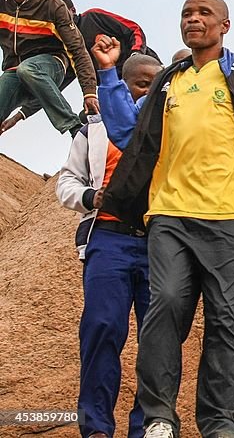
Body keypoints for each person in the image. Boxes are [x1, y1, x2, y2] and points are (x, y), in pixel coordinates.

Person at [93, 0, 234, 438]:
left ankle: (217, 422)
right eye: (186, 13)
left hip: (229, 218)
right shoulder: (168, 80)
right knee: (167, 303)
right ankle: (158, 417)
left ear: (224, 25)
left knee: (226, 320)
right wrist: (109, 74)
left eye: (203, 13)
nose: (193, 19)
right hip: (169, 215)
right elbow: (126, 132)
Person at [55, 54, 162, 438]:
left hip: (158, 244)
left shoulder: (168, 127)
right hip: (109, 239)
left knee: (159, 338)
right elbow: (66, 180)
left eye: (154, 86)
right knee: (102, 327)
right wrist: (90, 196)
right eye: (140, 84)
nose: (146, 93)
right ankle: (96, 426)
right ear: (122, 84)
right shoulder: (95, 129)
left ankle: (147, 426)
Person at [3, 0, 160, 134]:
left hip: (145, 72)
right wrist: (19, 116)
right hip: (119, 92)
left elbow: (133, 29)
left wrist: (136, 55)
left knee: (152, 108)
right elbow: (50, 89)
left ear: (72, 11)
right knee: (87, 120)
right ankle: (90, 162)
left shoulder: (93, 17)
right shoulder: (69, 53)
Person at [0, 0, 98, 135]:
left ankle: (74, 127)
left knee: (28, 68)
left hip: (52, 64)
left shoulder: (53, 7)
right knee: (16, 75)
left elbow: (78, 50)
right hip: (14, 70)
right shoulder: (1, 3)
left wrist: (89, 92)